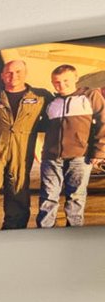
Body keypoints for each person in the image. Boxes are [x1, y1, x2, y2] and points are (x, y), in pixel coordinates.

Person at [0, 58, 53, 230]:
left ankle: (14, 231)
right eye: (8, 72)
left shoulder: (40, 97)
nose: (13, 76)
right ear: (2, 76)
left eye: (18, 72)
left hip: (22, 153)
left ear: (25, 74)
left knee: (18, 193)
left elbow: (58, 115)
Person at [38, 64, 104, 227]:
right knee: (48, 198)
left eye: (66, 81)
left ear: (76, 78)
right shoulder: (51, 102)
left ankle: (74, 234)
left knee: (76, 198)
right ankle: (44, 233)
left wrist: (99, 151)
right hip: (52, 158)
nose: (61, 85)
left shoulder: (90, 96)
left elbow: (103, 123)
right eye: (56, 82)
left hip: (80, 158)